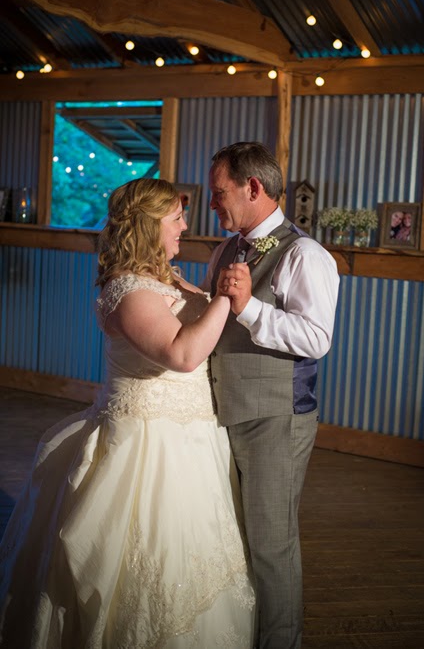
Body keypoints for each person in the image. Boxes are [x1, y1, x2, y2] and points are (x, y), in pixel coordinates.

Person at [0, 178, 254, 646]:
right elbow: (181, 355)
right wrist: (223, 296)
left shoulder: (165, 277)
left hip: (193, 439)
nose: (185, 226)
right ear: (148, 224)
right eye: (176, 218)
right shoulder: (128, 289)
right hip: (147, 446)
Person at [206, 141, 340, 648]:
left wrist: (249, 309)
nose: (214, 203)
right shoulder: (225, 249)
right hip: (227, 412)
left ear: (253, 188)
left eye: (220, 193)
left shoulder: (306, 255)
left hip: (277, 419)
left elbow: (316, 339)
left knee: (271, 545)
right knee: (239, 538)